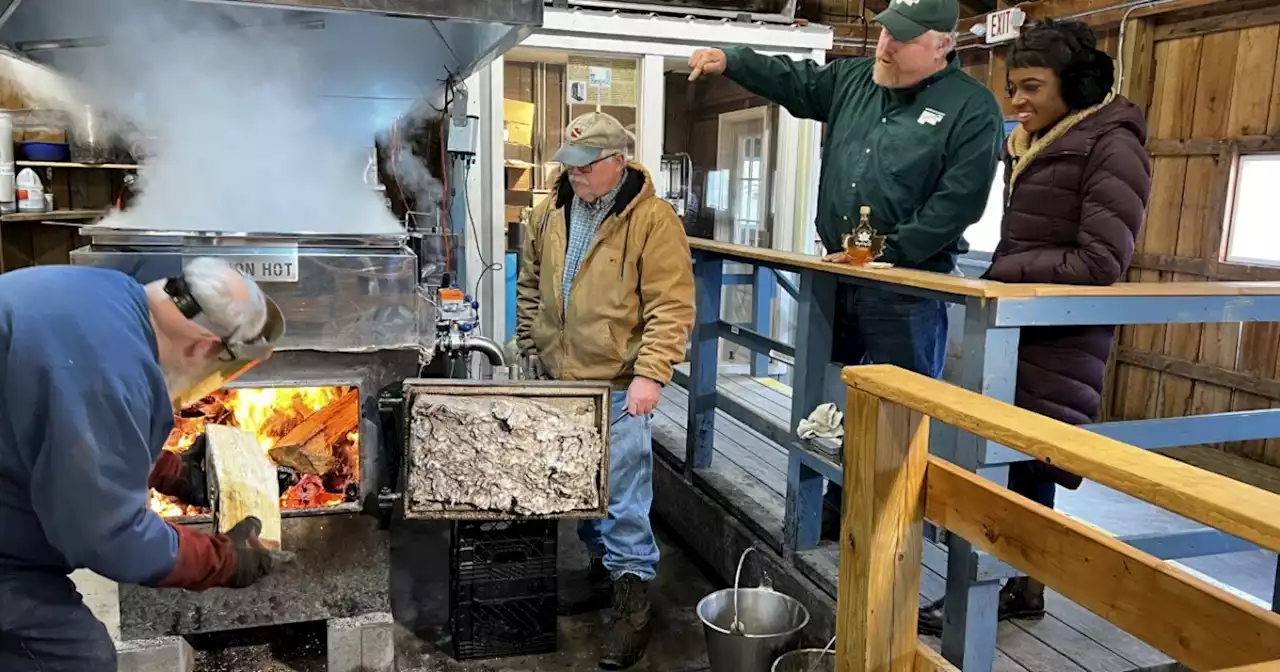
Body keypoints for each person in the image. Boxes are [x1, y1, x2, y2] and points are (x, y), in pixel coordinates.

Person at [689, 0, 1004, 538]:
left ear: (941, 46)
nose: (885, 45)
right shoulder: (855, 79)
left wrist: (895, 252)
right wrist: (732, 58)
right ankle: (830, 504)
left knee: (898, 411)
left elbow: (960, 200)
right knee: (828, 399)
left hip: (906, 285)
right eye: (884, 34)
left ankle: (892, 522)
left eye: (901, 40)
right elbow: (795, 80)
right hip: (838, 274)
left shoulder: (972, 109)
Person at [917, 19, 1151, 635]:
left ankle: (1003, 588)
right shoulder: (1042, 140)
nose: (1015, 102)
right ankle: (1019, 585)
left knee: (1027, 462)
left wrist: (1006, 268)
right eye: (1011, 88)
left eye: (1031, 88)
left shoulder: (1111, 143)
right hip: (1028, 322)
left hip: (1059, 328)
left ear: (1072, 86)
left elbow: (1103, 261)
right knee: (1017, 460)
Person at [0, 257, 291, 671]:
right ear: (205, 346)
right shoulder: (107, 371)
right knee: (74, 658)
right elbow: (107, 537)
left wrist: (171, 473)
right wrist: (223, 560)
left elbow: (62, 432)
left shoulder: (109, 295)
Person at [515, 111, 695, 670]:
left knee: (622, 495)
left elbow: (672, 304)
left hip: (617, 383)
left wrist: (651, 373)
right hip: (560, 378)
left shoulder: (652, 220)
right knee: (580, 487)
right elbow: (530, 284)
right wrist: (529, 342)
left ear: (618, 162)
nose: (575, 175)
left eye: (586, 166)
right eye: (569, 165)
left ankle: (633, 602)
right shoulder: (550, 212)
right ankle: (601, 573)